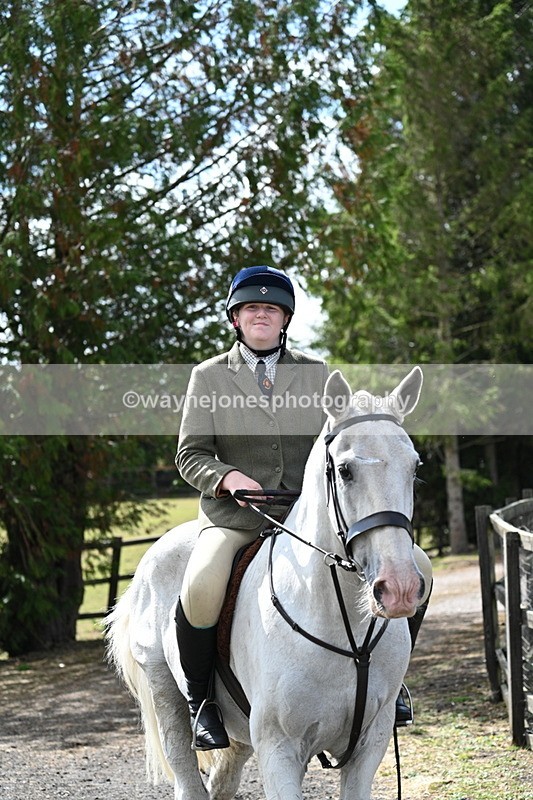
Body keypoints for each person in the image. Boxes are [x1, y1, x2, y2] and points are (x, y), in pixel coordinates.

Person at [175, 264, 432, 751]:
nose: (261, 316)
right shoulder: (207, 377)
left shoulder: (316, 374)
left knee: (417, 565)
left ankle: (391, 681)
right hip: (238, 517)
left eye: (271, 309)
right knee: (202, 582)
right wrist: (227, 478)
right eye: (252, 308)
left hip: (308, 520)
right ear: (235, 318)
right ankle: (202, 701)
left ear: (285, 318)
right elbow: (189, 454)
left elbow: (347, 435)